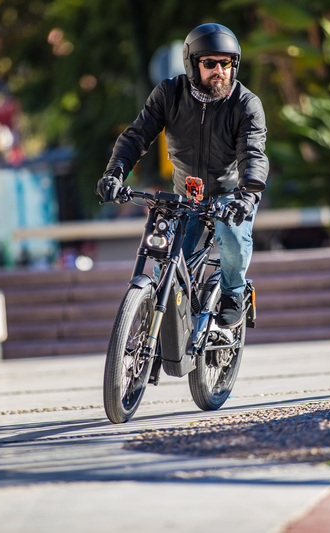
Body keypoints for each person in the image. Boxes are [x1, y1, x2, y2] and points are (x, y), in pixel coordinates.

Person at [96, 23, 269, 328]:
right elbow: (136, 137)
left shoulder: (246, 103)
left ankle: (233, 292)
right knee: (167, 267)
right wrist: (115, 174)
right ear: (192, 64)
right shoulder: (169, 94)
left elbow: (253, 154)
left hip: (232, 195)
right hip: (186, 196)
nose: (219, 70)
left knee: (232, 235)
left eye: (226, 63)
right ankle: (165, 323)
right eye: (210, 63)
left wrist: (247, 196)